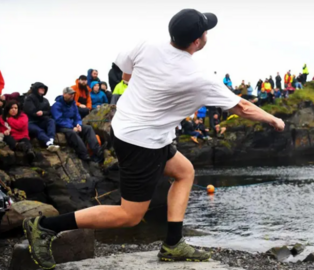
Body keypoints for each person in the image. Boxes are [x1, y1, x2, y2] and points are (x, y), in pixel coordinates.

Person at [22, 9, 284, 269]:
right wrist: (274, 120)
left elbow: (124, 73)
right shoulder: (200, 77)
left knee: (184, 172)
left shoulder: (147, 45)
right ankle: (45, 226)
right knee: (130, 216)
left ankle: (173, 243)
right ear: (197, 41)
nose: (206, 35)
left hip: (130, 129)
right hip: (141, 143)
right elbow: (243, 107)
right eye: (205, 31)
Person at [50, 87, 104, 163]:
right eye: (70, 94)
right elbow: (58, 120)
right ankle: (84, 154)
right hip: (62, 126)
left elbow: (77, 116)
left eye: (73, 94)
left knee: (88, 128)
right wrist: (72, 127)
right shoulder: (56, 105)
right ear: (64, 94)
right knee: (72, 133)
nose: (72, 96)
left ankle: (98, 151)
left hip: (73, 125)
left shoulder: (73, 104)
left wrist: (78, 124)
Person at [23, 82, 59, 152]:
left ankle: (51, 139)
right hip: (30, 122)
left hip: (41, 120)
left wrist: (43, 112)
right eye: (41, 88)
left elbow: (48, 111)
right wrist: (37, 113)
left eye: (44, 88)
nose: (43, 89)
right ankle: (48, 143)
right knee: (38, 130)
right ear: (36, 89)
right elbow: (29, 110)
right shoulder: (29, 98)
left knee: (51, 121)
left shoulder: (45, 100)